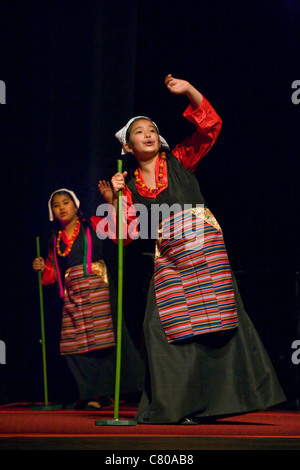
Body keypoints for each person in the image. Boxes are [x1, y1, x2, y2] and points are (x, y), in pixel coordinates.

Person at [110, 74, 286, 424]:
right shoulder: (127, 184)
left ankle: (226, 400)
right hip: (169, 257)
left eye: (151, 129)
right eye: (138, 131)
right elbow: (122, 237)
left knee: (221, 320)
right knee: (161, 327)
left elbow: (210, 127)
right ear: (127, 147)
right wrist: (116, 199)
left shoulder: (178, 160)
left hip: (203, 248)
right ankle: (177, 405)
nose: (147, 133)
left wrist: (188, 90)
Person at [33, 188, 144, 410]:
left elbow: (118, 229)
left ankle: (102, 394)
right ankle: (93, 392)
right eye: (56, 205)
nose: (62, 208)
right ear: (52, 212)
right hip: (74, 295)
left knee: (102, 344)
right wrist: (41, 267)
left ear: (75, 206)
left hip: (98, 289)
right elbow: (52, 272)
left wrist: (112, 200)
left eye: (66, 203)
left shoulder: (91, 225)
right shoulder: (55, 240)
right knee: (74, 345)